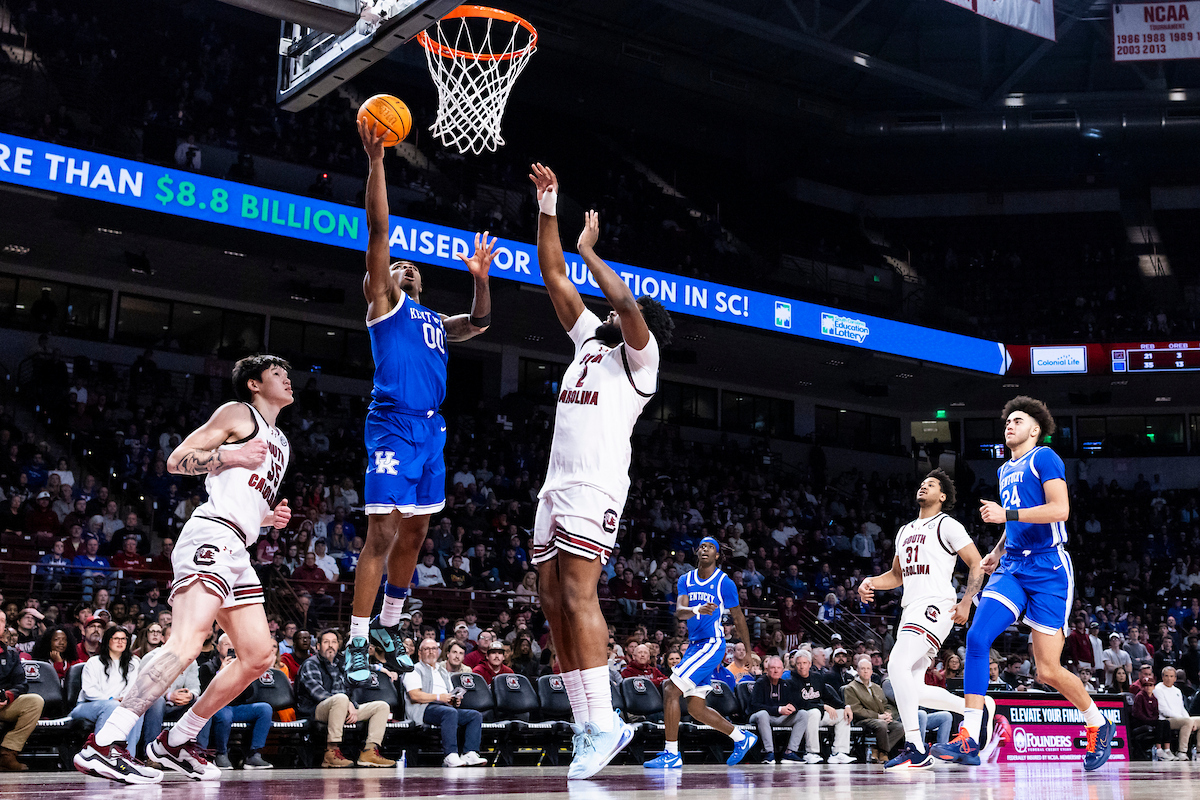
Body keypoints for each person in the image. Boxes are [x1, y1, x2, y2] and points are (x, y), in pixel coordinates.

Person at [75, 355, 295, 784]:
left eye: (287, 374)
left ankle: (177, 740)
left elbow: (241, 494)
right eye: (277, 374)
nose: (288, 379)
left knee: (258, 656)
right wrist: (230, 453)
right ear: (254, 384)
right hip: (211, 535)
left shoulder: (282, 442)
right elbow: (177, 459)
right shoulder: (238, 413)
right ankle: (105, 742)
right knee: (187, 642)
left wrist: (266, 519)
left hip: (239, 545)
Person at [528, 163, 673, 780]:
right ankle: (590, 722)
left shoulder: (642, 361)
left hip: (595, 486)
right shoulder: (591, 341)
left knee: (578, 594)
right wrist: (549, 206)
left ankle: (605, 718)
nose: (611, 315)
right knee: (550, 599)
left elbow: (623, 301)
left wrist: (590, 251)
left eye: (622, 315)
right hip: (556, 484)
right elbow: (553, 276)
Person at [344, 120, 495, 689]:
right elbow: (379, 229)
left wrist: (481, 279)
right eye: (398, 264)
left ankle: (388, 623)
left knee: (414, 534)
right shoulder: (384, 303)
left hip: (431, 432)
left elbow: (480, 322)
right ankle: (357, 641)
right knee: (381, 535)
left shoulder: (435, 319)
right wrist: (377, 161)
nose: (406, 267)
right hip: (392, 425)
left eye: (414, 269)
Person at [932, 397, 1113, 772]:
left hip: (1049, 568)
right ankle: (969, 735)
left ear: (1034, 429)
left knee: (1047, 670)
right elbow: (1014, 523)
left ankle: (1097, 721)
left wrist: (1006, 515)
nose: (1009, 425)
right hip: (1013, 565)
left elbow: (1060, 509)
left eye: (1017, 420)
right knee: (977, 637)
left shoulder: (1044, 457)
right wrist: (997, 550)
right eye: (1007, 421)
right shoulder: (1003, 469)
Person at [859, 469, 984, 769]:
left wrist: (967, 600)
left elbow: (976, 562)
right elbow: (896, 576)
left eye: (931, 484)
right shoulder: (904, 530)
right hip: (910, 608)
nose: (923, 487)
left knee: (896, 665)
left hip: (935, 605)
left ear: (942, 496)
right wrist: (870, 581)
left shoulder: (946, 524)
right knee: (912, 688)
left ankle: (915, 747)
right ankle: (978, 711)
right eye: (922, 483)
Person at [644, 538, 756, 769]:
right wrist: (697, 609)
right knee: (695, 708)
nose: (705, 549)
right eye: (702, 546)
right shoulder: (686, 579)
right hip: (695, 645)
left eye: (711, 547)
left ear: (717, 555)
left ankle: (671, 754)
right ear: (697, 552)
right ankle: (740, 737)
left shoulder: (724, 582)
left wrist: (748, 650)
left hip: (712, 644)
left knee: (670, 688)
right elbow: (680, 612)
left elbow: (738, 618)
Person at [296, 629, 395, 768]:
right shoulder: (311, 664)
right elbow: (318, 694)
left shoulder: (341, 662)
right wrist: (347, 703)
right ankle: (331, 751)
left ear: (338, 645)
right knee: (341, 698)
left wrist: (380, 669)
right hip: (316, 710)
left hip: (343, 706)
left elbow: (360, 668)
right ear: (318, 646)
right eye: (326, 642)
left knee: (381, 706)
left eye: (334, 642)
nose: (330, 645)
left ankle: (369, 751)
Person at [403, 638, 487, 767]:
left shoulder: (443, 672)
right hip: (424, 708)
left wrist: (454, 700)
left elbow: (449, 693)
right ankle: (450, 755)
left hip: (445, 707)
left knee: (474, 715)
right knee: (449, 713)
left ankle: (470, 753)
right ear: (420, 653)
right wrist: (439, 697)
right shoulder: (414, 669)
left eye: (434, 649)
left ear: (438, 652)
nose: (431, 652)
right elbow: (415, 695)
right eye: (427, 649)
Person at [196, 636, 274, 770]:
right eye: (226, 644)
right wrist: (221, 672)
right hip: (217, 707)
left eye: (233, 644)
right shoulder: (207, 667)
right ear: (218, 647)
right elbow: (206, 694)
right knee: (225, 715)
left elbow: (250, 694)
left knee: (265, 709)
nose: (231, 647)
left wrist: (242, 673)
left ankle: (254, 755)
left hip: (237, 708)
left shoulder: (242, 666)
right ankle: (221, 754)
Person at [70, 627, 144, 766]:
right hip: (87, 706)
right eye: (116, 638)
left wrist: (124, 700)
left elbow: (133, 688)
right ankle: (101, 754)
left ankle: (128, 757)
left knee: (136, 707)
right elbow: (89, 691)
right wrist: (111, 699)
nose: (120, 642)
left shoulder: (134, 662)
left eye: (123, 639)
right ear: (107, 641)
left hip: (120, 704)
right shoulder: (94, 662)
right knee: (112, 706)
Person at [787, 649, 855, 763]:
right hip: (805, 717)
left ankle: (839, 752)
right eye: (798, 663)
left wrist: (846, 707)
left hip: (820, 715)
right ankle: (811, 752)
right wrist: (823, 707)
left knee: (842, 714)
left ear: (809, 664)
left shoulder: (817, 677)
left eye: (804, 663)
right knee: (814, 712)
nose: (801, 666)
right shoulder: (791, 681)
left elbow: (829, 697)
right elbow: (799, 703)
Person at [0, 610, 46, 771]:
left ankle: (8, 752)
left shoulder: (11, 655)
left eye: (1, 621)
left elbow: (21, 684)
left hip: (3, 704)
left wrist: (7, 696)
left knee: (35, 701)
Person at [747, 655, 806, 763]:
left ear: (783, 670)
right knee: (762, 714)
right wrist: (778, 709)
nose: (775, 670)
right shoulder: (760, 683)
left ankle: (790, 752)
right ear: (767, 669)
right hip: (760, 717)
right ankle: (769, 752)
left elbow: (797, 702)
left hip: (780, 717)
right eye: (773, 668)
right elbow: (755, 706)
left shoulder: (785, 684)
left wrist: (793, 707)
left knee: (803, 714)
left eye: (778, 668)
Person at [846, 657, 904, 764]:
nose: (866, 671)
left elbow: (886, 705)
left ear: (872, 671)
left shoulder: (877, 687)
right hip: (862, 720)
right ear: (857, 671)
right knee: (881, 724)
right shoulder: (851, 688)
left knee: (901, 727)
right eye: (863, 668)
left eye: (868, 668)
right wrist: (878, 716)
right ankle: (883, 753)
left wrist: (888, 714)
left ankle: (878, 750)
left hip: (880, 719)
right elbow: (857, 710)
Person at [1155, 667, 1200, 761]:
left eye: (1171, 676)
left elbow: (1182, 708)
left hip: (1180, 718)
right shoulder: (1158, 689)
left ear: (1175, 678)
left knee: (1197, 720)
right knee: (1187, 722)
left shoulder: (1177, 690)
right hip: (1166, 720)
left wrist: (1188, 718)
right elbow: (1163, 710)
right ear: (1162, 677)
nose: (1169, 678)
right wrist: (1185, 719)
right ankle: (1182, 752)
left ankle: (1198, 752)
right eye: (1166, 676)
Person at [1133, 676, 1173, 760]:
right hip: (1141, 722)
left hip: (1151, 721)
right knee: (1159, 723)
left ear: (1154, 687)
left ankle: (1167, 750)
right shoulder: (1139, 696)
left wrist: (1153, 719)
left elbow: (1156, 713)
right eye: (1145, 685)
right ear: (1142, 687)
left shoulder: (1154, 698)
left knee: (1166, 723)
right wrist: (1150, 720)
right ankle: (1159, 750)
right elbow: (1138, 714)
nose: (1148, 687)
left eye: (1150, 685)